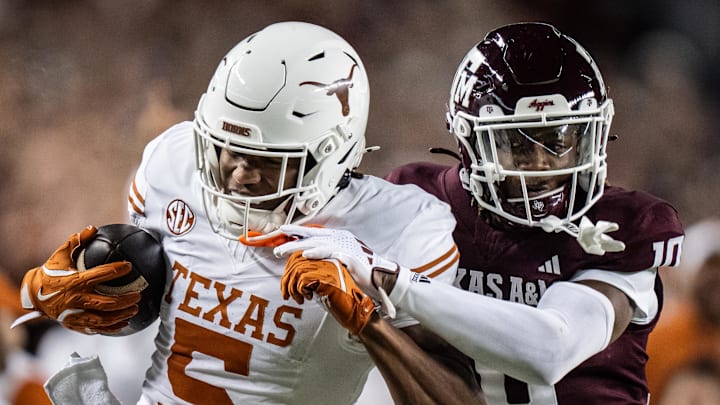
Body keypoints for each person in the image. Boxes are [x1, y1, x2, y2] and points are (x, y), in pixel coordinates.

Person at [15, 21, 484, 404]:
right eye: (226, 150)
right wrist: (58, 291)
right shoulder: (174, 163)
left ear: (332, 155)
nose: (238, 175)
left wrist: (370, 323)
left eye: (265, 161)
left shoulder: (397, 230)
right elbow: (149, 290)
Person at [274, 22, 685, 404]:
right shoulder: (419, 203)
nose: (543, 163)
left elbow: (550, 350)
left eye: (561, 140)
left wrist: (390, 278)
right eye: (520, 145)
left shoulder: (620, 225)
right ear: (470, 142)